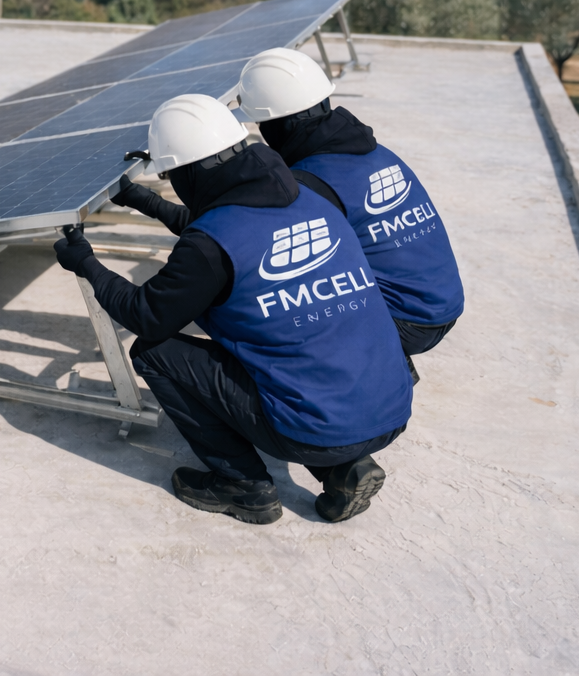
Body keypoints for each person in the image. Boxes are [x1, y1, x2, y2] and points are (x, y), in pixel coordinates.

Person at [57, 94, 412, 525]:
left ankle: (242, 485)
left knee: (154, 351)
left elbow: (145, 314)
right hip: (391, 409)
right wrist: (142, 200)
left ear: (189, 173)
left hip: (318, 429)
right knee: (302, 345)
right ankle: (343, 466)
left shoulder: (211, 245)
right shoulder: (313, 197)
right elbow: (225, 230)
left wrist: (86, 263)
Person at [234, 48, 464, 381]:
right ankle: (388, 357)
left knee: (273, 295)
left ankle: (369, 374)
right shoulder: (377, 152)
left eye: (261, 123)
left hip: (407, 323)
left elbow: (244, 237)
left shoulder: (313, 180)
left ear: (280, 124)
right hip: (445, 305)